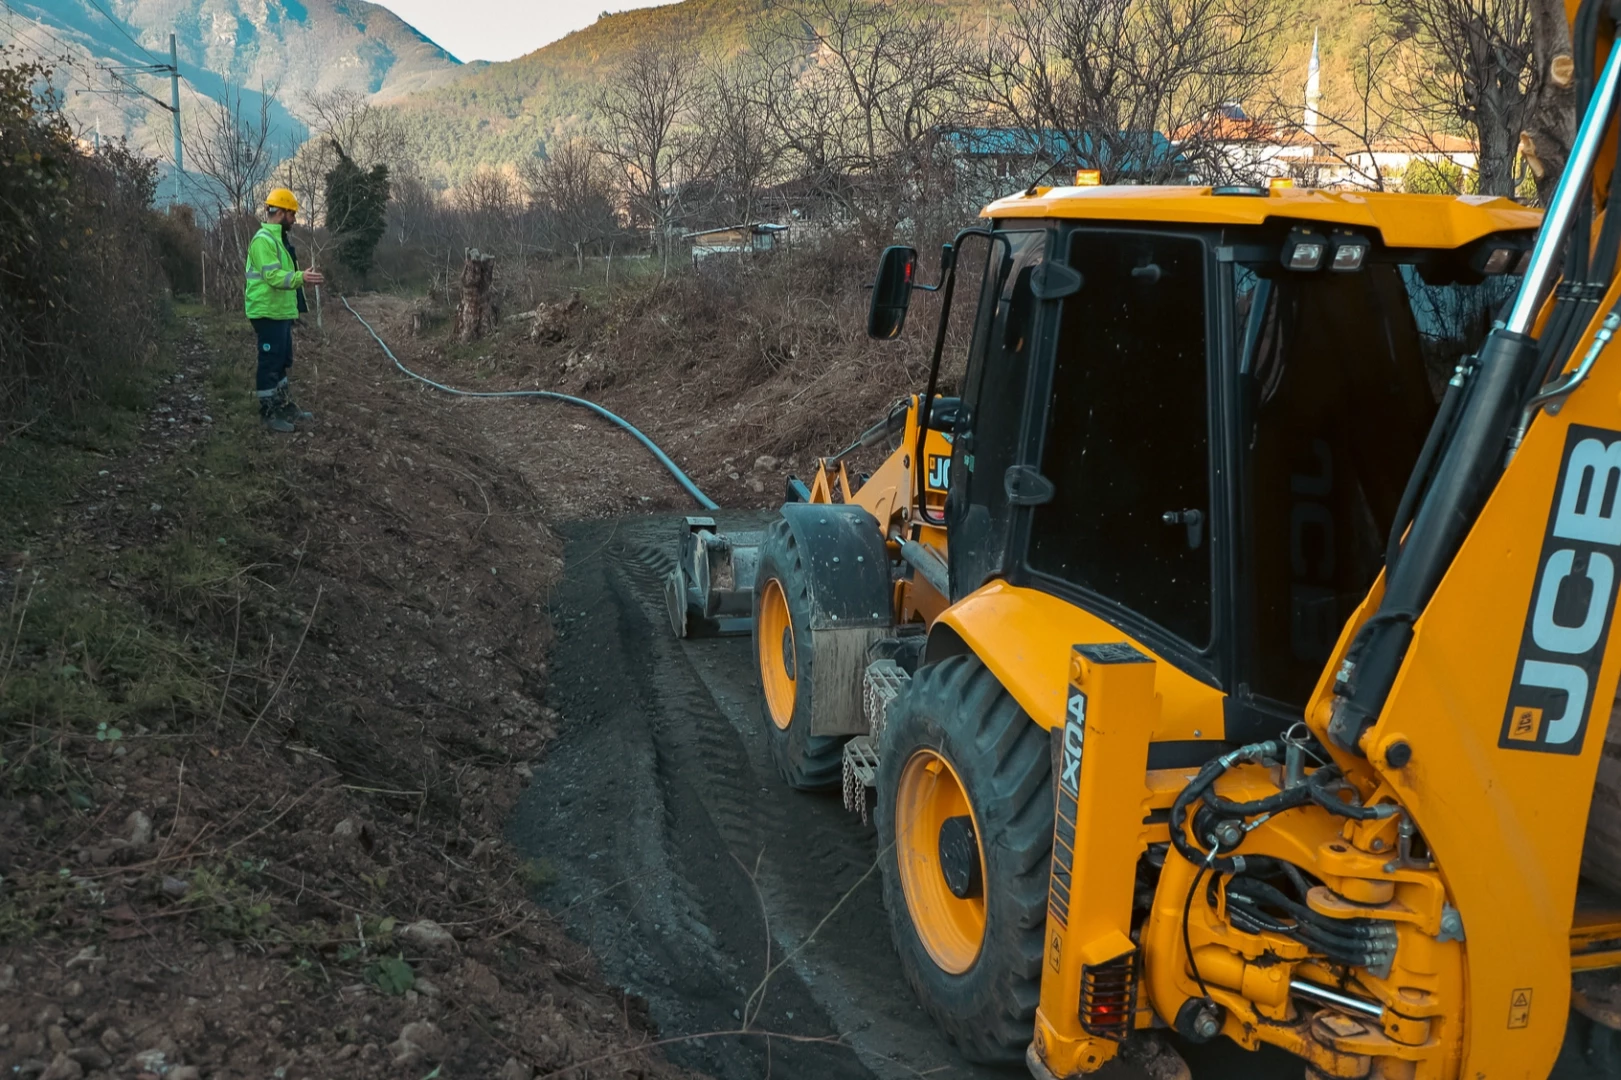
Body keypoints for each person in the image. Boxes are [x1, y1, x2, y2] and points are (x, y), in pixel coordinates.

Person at [246, 188, 324, 433]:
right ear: (280, 212)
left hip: (278, 311)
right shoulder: (263, 241)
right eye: (291, 214)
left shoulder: (278, 240)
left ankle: (284, 406)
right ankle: (268, 414)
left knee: (281, 361)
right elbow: (272, 276)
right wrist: (301, 277)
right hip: (266, 312)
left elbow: (282, 276)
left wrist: (300, 279)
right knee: (270, 363)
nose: (294, 219)